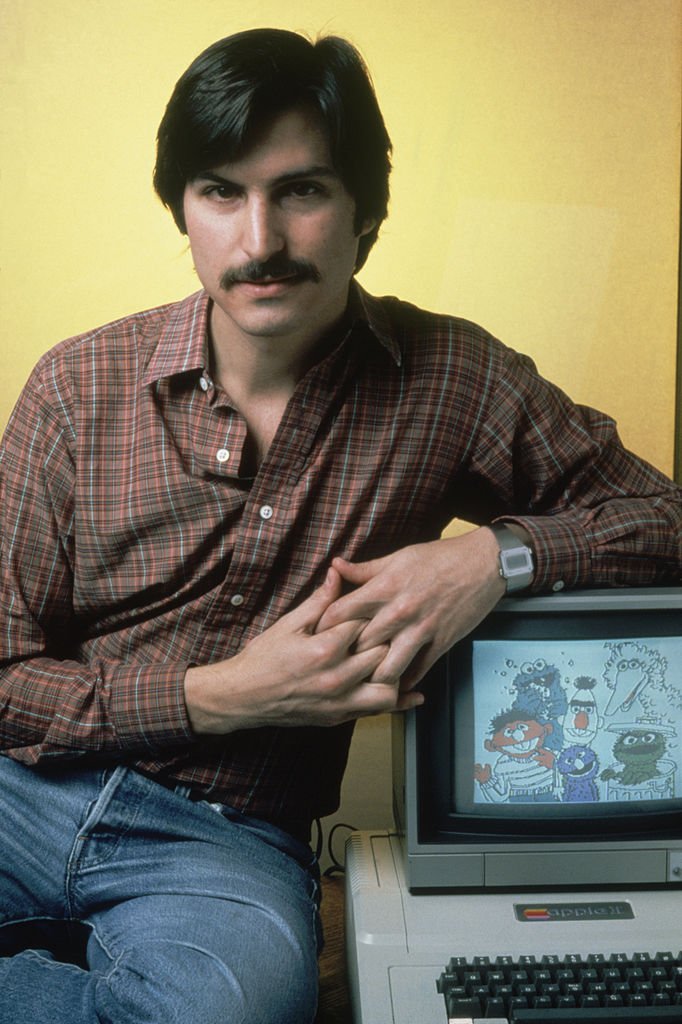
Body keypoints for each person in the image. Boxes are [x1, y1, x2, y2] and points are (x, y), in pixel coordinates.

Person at [0, 26, 680, 1024]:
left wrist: (494, 555)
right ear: (183, 210)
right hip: (25, 791)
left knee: (227, 1011)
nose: (260, 239)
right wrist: (217, 695)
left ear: (365, 211)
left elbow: (661, 516)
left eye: (302, 190)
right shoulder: (75, 386)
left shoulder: (455, 377)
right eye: (222, 191)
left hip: (223, 838)